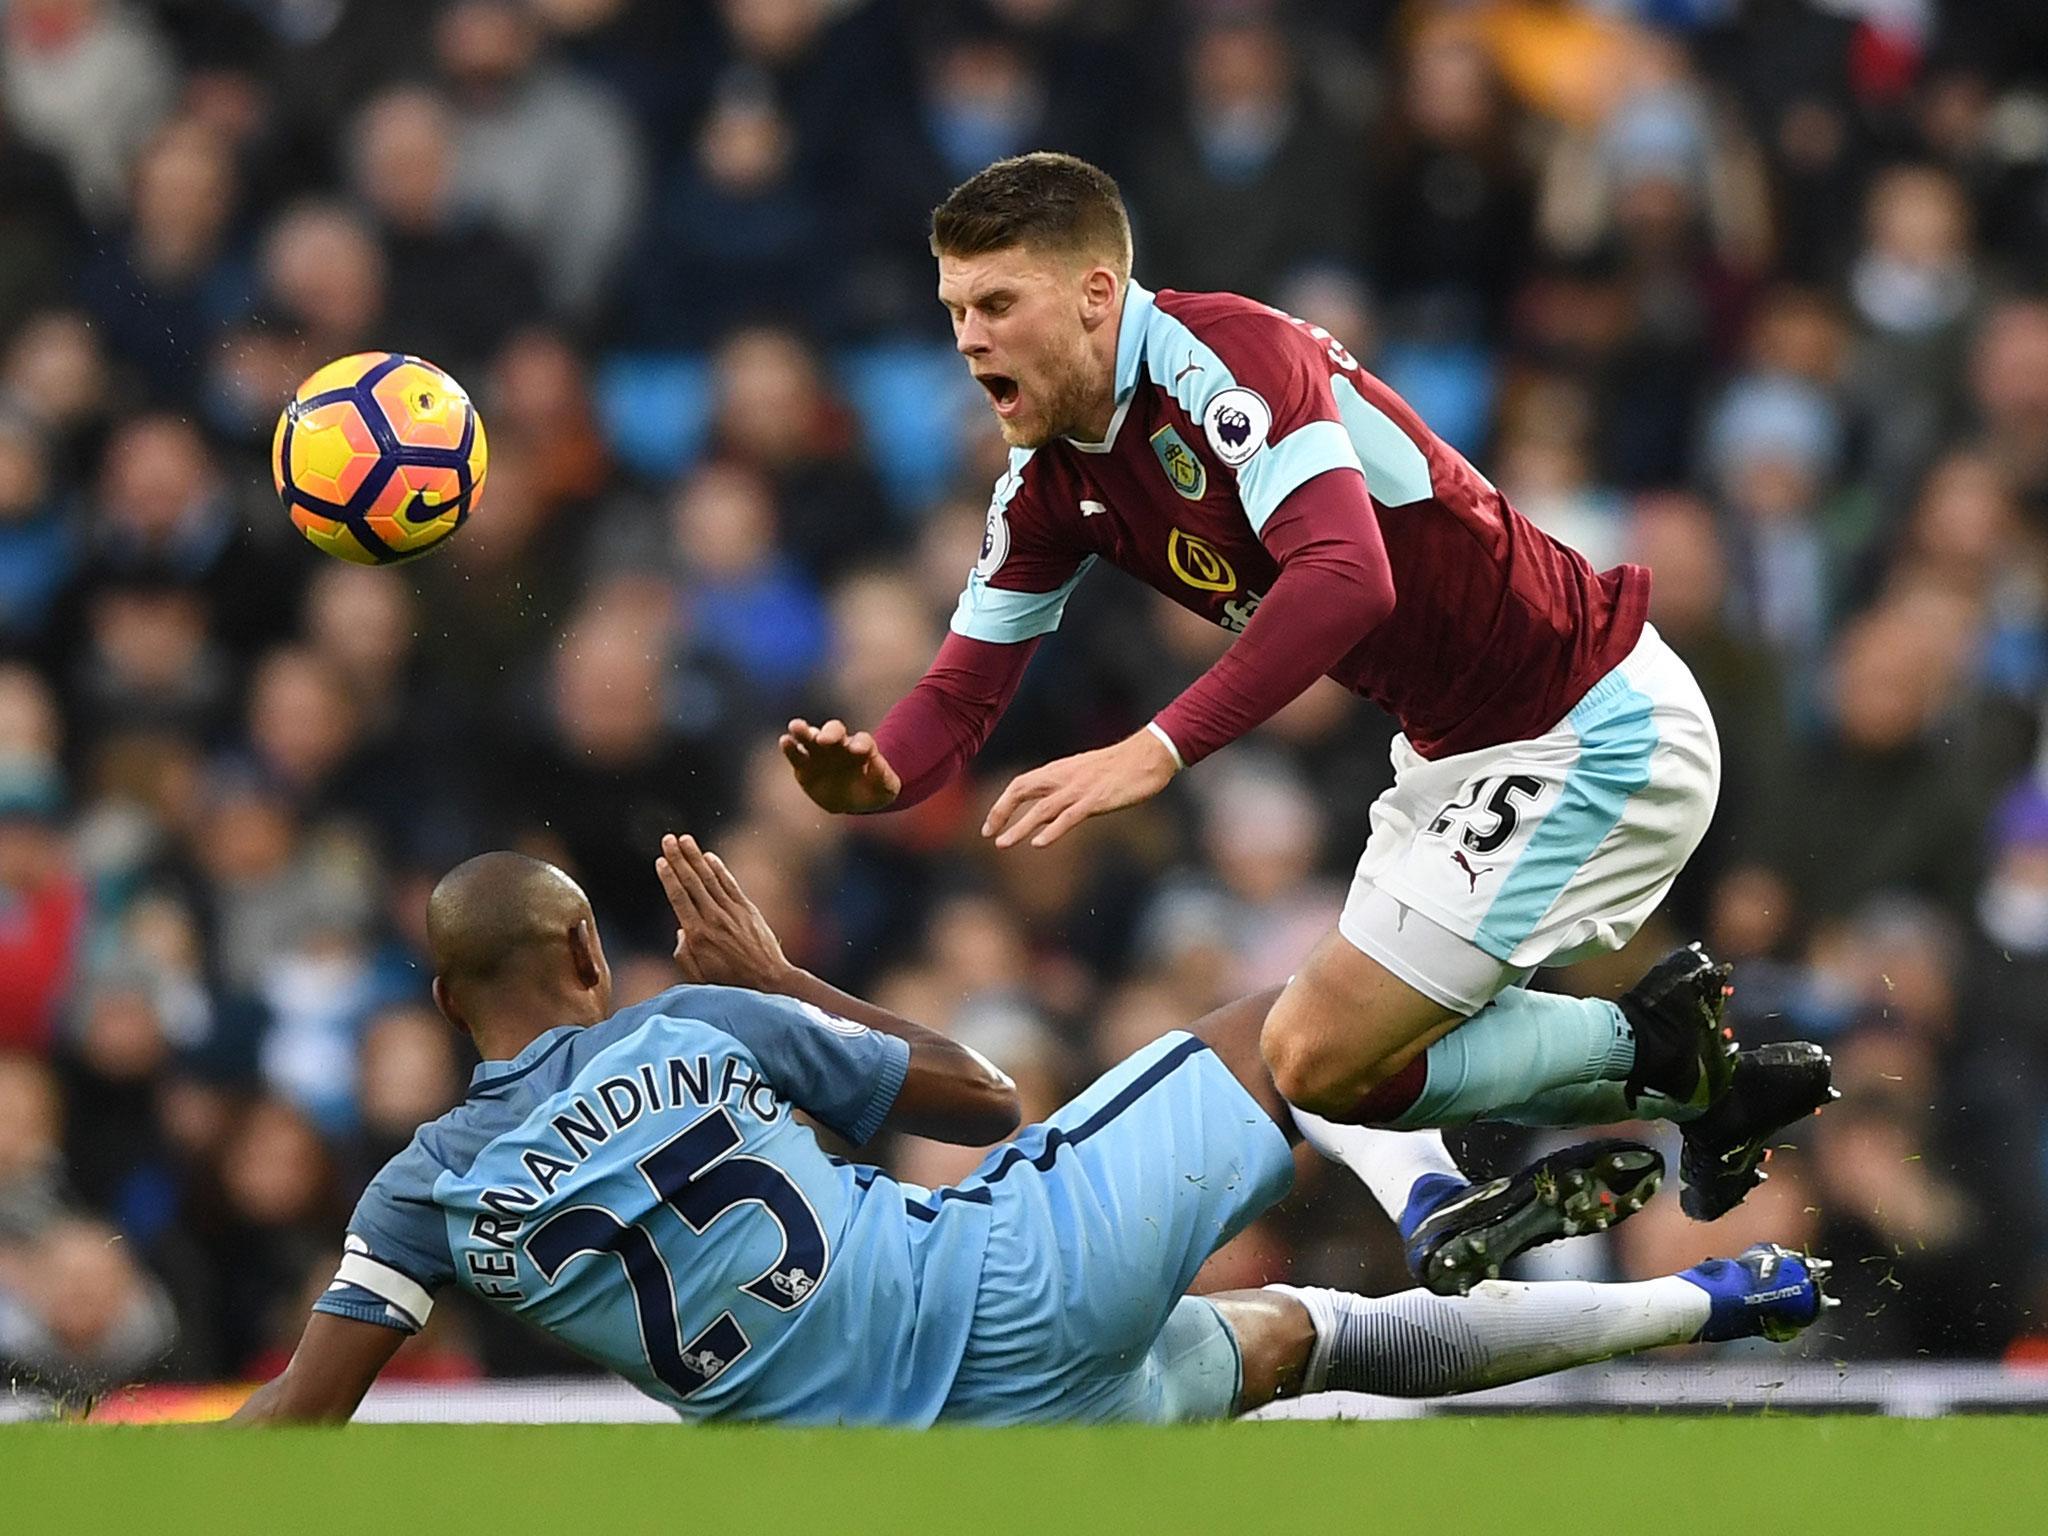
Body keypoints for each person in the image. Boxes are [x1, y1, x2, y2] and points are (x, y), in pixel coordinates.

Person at [778, 153, 1834, 1287]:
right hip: (1456, 750)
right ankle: (1654, 1076)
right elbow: (960, 690)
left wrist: (1157, 747)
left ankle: (1653, 1067)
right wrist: (881, 776)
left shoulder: (1227, 361)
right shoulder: (1047, 485)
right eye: (953, 312)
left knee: (1321, 1048)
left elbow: (1345, 579)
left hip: (1585, 717)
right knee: (1315, 1064)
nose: (968, 339)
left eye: (995, 304)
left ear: (1094, 294)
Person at [233, 837, 1831, 1427]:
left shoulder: (420, 1192)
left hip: (900, 1461)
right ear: (591, 957)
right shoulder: (690, 1023)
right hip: (1004, 1289)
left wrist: (89, 1454)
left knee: (1301, 1341)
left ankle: (1716, 1300)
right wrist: (782, 977)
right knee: (1292, 1030)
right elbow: (983, 1099)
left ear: (444, 1002)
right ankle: (1622, 1064)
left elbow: (297, 1429)